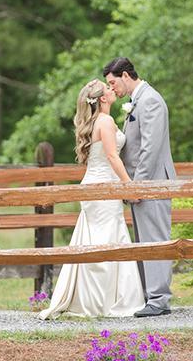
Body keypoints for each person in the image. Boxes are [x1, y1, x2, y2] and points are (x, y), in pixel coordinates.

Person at [38, 79, 145, 320]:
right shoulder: (105, 121)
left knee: (100, 238)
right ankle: (100, 302)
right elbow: (112, 156)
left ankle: (94, 298)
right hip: (102, 189)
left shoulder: (98, 121)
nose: (112, 89)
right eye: (108, 88)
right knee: (105, 241)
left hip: (96, 184)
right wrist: (130, 186)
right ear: (103, 99)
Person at [103, 57, 176, 317]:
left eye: (112, 83)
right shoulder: (138, 100)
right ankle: (151, 296)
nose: (111, 89)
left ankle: (159, 299)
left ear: (125, 75)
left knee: (155, 239)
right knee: (143, 240)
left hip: (152, 182)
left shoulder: (151, 100)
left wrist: (138, 187)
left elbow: (150, 149)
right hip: (141, 184)